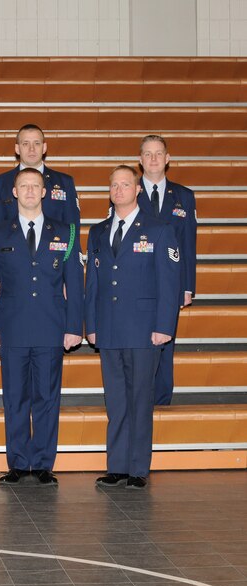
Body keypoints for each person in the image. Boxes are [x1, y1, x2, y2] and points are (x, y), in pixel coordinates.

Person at [0, 168, 84, 487]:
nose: (28, 191)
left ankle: (42, 463)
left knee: (47, 397)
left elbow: (74, 284)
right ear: (14, 192)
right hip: (11, 328)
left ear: (44, 192)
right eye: (23, 186)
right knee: (15, 397)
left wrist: (73, 326)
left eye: (34, 186)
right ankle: (18, 462)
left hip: (52, 327)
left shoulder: (65, 232)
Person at [86, 165, 180, 490]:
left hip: (144, 329)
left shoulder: (159, 229)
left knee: (141, 399)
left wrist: (164, 326)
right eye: (114, 185)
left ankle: (138, 468)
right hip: (109, 329)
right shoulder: (97, 232)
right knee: (116, 401)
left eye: (126, 184)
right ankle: (117, 466)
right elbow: (93, 283)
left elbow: (170, 282)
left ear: (137, 189)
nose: (119, 190)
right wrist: (92, 325)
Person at [137, 135, 198, 406]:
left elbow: (188, 244)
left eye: (158, 153)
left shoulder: (184, 196)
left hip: (170, 284)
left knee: (165, 345)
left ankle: (162, 403)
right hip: (136, 283)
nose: (153, 159)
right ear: (140, 160)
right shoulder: (128, 189)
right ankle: (138, 400)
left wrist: (187, 286)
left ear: (167, 158)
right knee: (138, 345)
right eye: (147, 154)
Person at [0, 124, 80, 229]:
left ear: (44, 148)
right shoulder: (0, 184)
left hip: (55, 244)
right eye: (25, 144)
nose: (32, 149)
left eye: (37, 143)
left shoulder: (65, 183)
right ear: (17, 148)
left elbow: (72, 229)